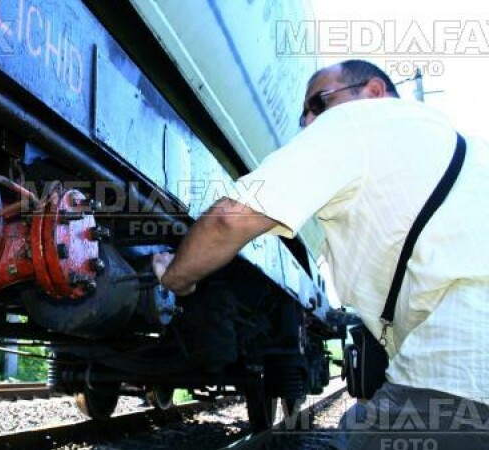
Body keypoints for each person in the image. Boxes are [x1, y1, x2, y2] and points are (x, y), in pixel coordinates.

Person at [152, 60, 489, 449]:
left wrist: (176, 276)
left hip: (461, 369)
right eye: (304, 115)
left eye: (319, 103)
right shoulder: (456, 143)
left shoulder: (359, 122)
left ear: (374, 92)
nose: (310, 122)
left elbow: (231, 220)